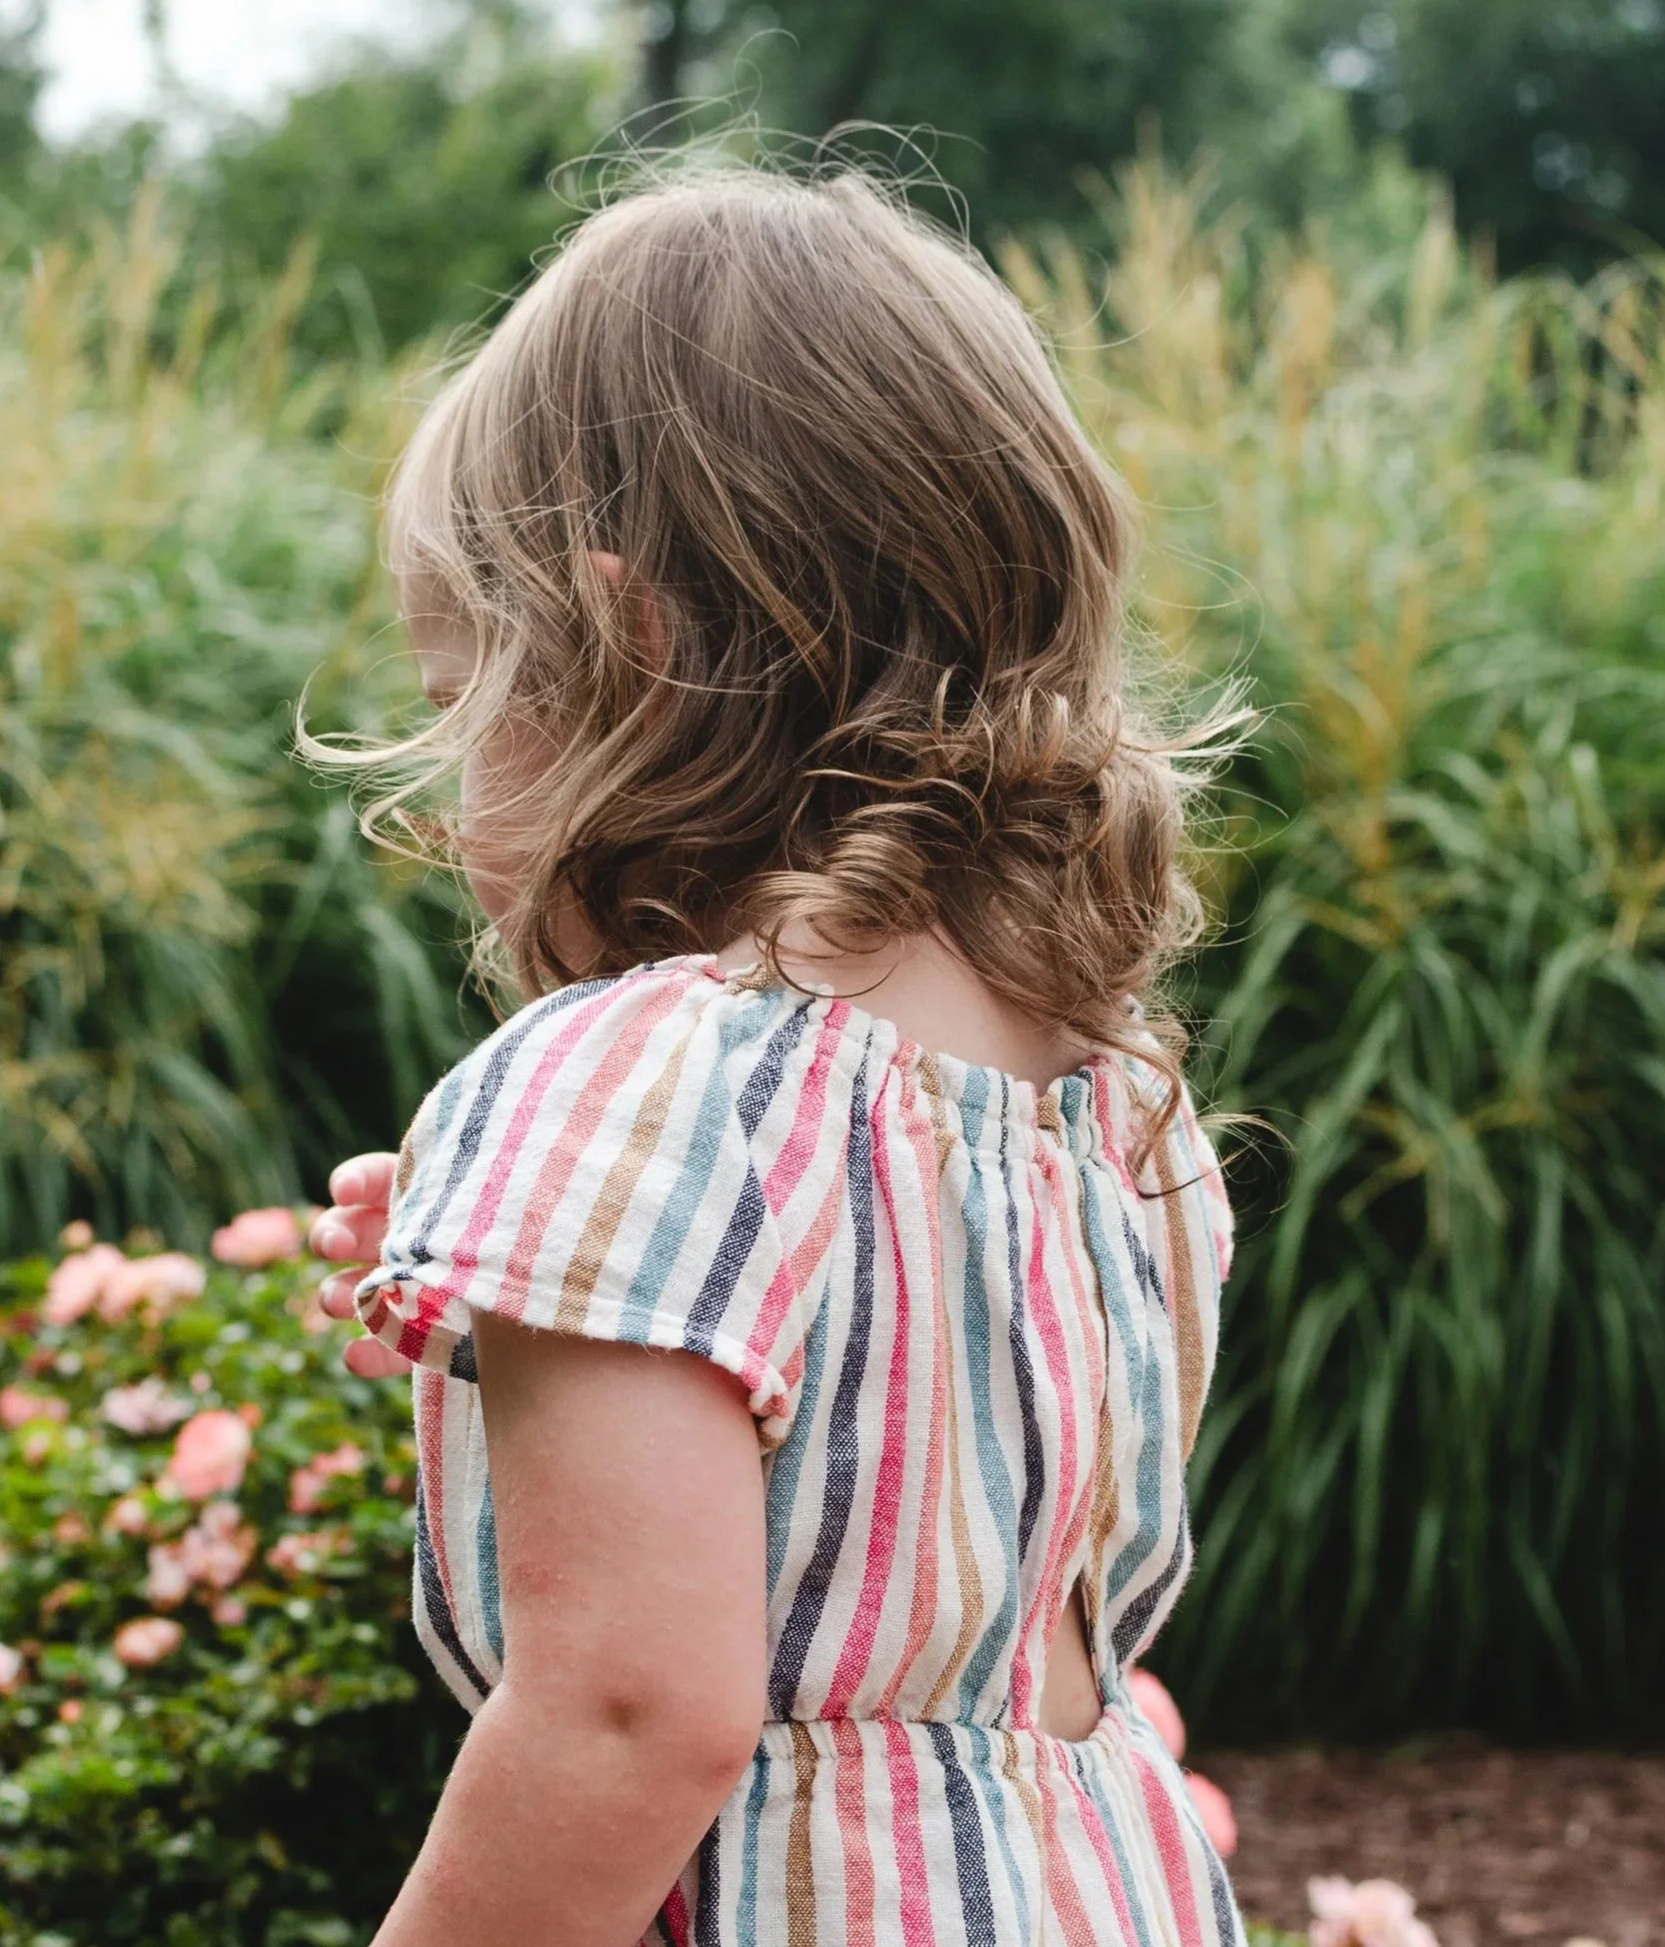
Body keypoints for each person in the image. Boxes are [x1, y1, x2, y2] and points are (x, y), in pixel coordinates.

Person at [304, 161, 1241, 1947]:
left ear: (627, 652)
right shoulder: (1117, 1099)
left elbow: (630, 1713)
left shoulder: (625, 1079)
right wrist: (540, 1292)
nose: (444, 804)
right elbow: (904, 1484)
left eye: (457, 703)